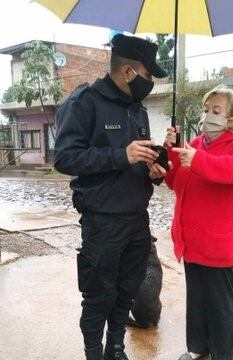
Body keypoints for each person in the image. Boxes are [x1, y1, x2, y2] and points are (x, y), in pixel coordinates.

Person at [54, 34, 168, 360]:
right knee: (98, 295)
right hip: (102, 220)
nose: (150, 83)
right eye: (148, 76)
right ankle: (93, 352)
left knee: (126, 290)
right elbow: (65, 158)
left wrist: (153, 172)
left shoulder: (137, 110)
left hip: (137, 220)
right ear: (129, 72)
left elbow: (137, 161)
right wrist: (121, 155)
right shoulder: (85, 103)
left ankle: (115, 347)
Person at [164, 86, 233, 360]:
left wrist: (199, 160)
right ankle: (198, 348)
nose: (209, 116)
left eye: (217, 111)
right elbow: (176, 182)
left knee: (219, 304)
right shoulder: (195, 144)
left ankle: (221, 354)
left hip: (220, 244)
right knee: (197, 299)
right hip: (192, 241)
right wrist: (172, 151)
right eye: (206, 110)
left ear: (232, 117)